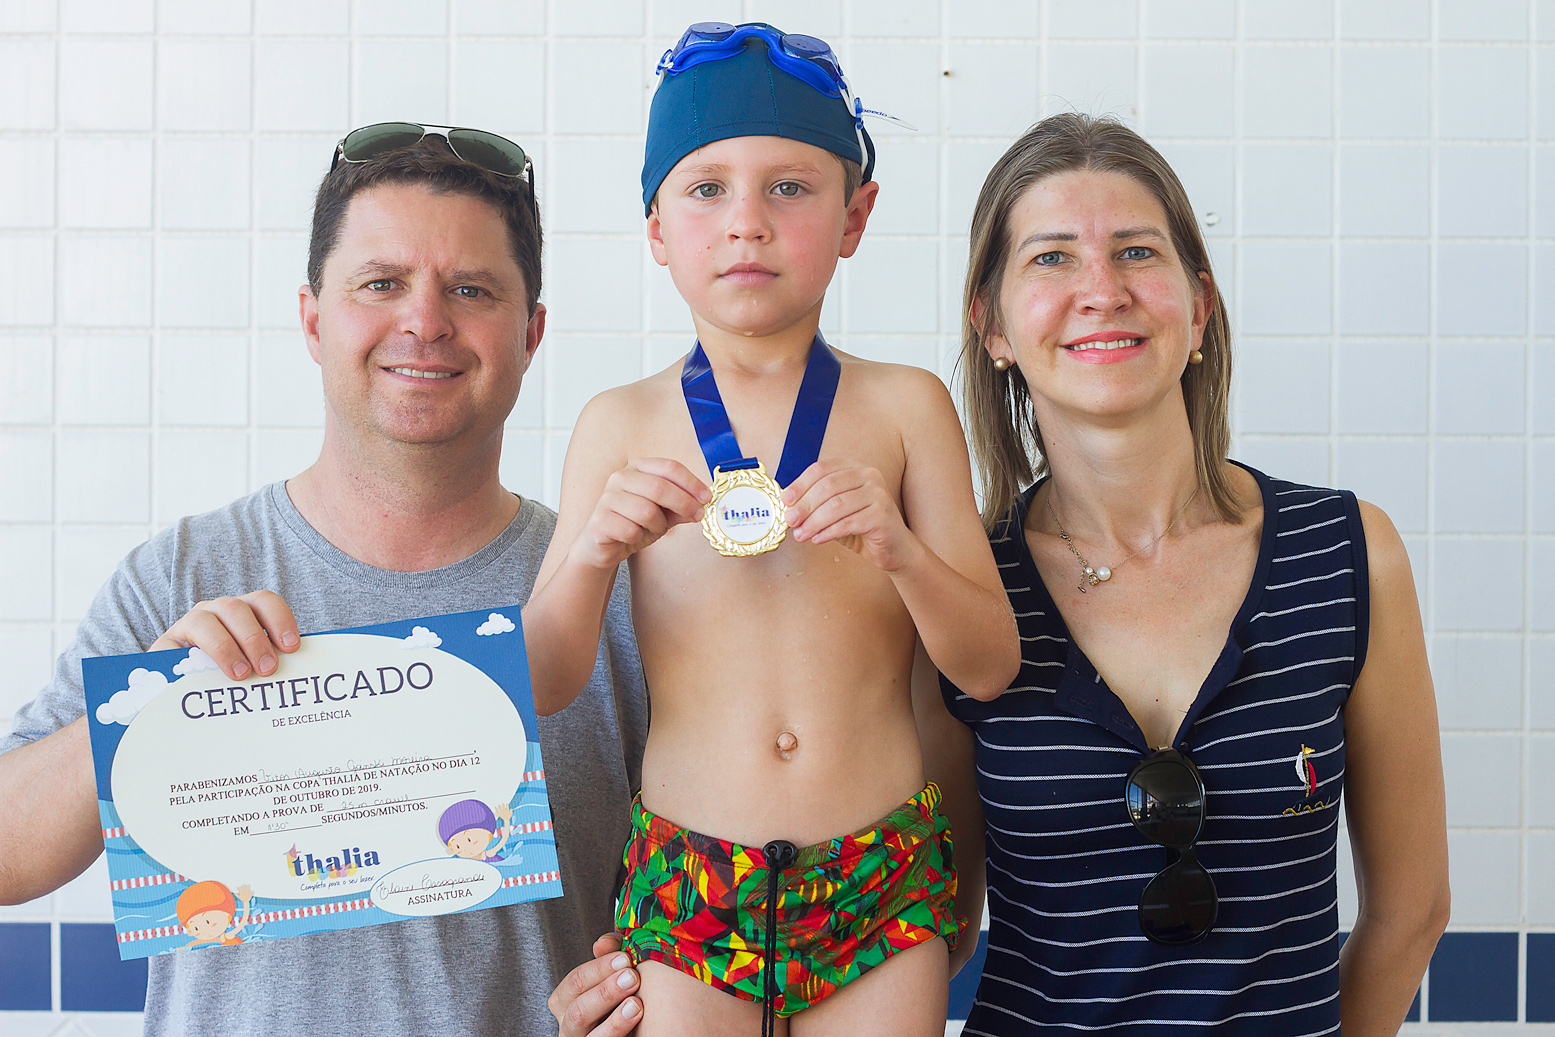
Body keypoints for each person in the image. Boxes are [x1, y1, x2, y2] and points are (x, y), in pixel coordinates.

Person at [0, 125, 648, 1037]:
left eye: (471, 289)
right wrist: (145, 707)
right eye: (380, 284)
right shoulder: (182, 575)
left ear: (531, 331)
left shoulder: (615, 594)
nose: (424, 321)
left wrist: (641, 996)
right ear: (313, 320)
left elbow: (710, 886)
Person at [523, 22, 1017, 1037]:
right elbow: (542, 682)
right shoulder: (617, 424)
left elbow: (988, 665)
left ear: (854, 216)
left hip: (877, 869)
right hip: (690, 872)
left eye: (789, 187)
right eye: (706, 189)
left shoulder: (905, 408)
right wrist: (591, 553)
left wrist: (901, 552)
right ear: (656, 230)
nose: (745, 222)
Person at [938, 113, 1449, 1033]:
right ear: (992, 325)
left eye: (1136, 252)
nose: (1102, 291)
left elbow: (1411, 909)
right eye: (1051, 258)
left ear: (1199, 305)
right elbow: (931, 924)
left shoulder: (1348, 552)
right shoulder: (961, 591)